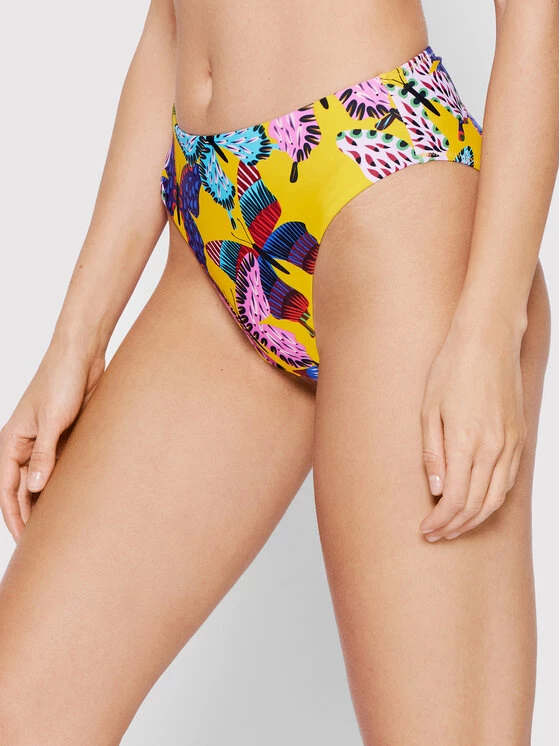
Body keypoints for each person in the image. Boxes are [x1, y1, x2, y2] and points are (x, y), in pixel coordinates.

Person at [0, 0, 556, 742]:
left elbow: (534, 20)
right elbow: (169, 22)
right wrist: (75, 339)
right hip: (213, 212)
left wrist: (490, 329)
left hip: (387, 196)